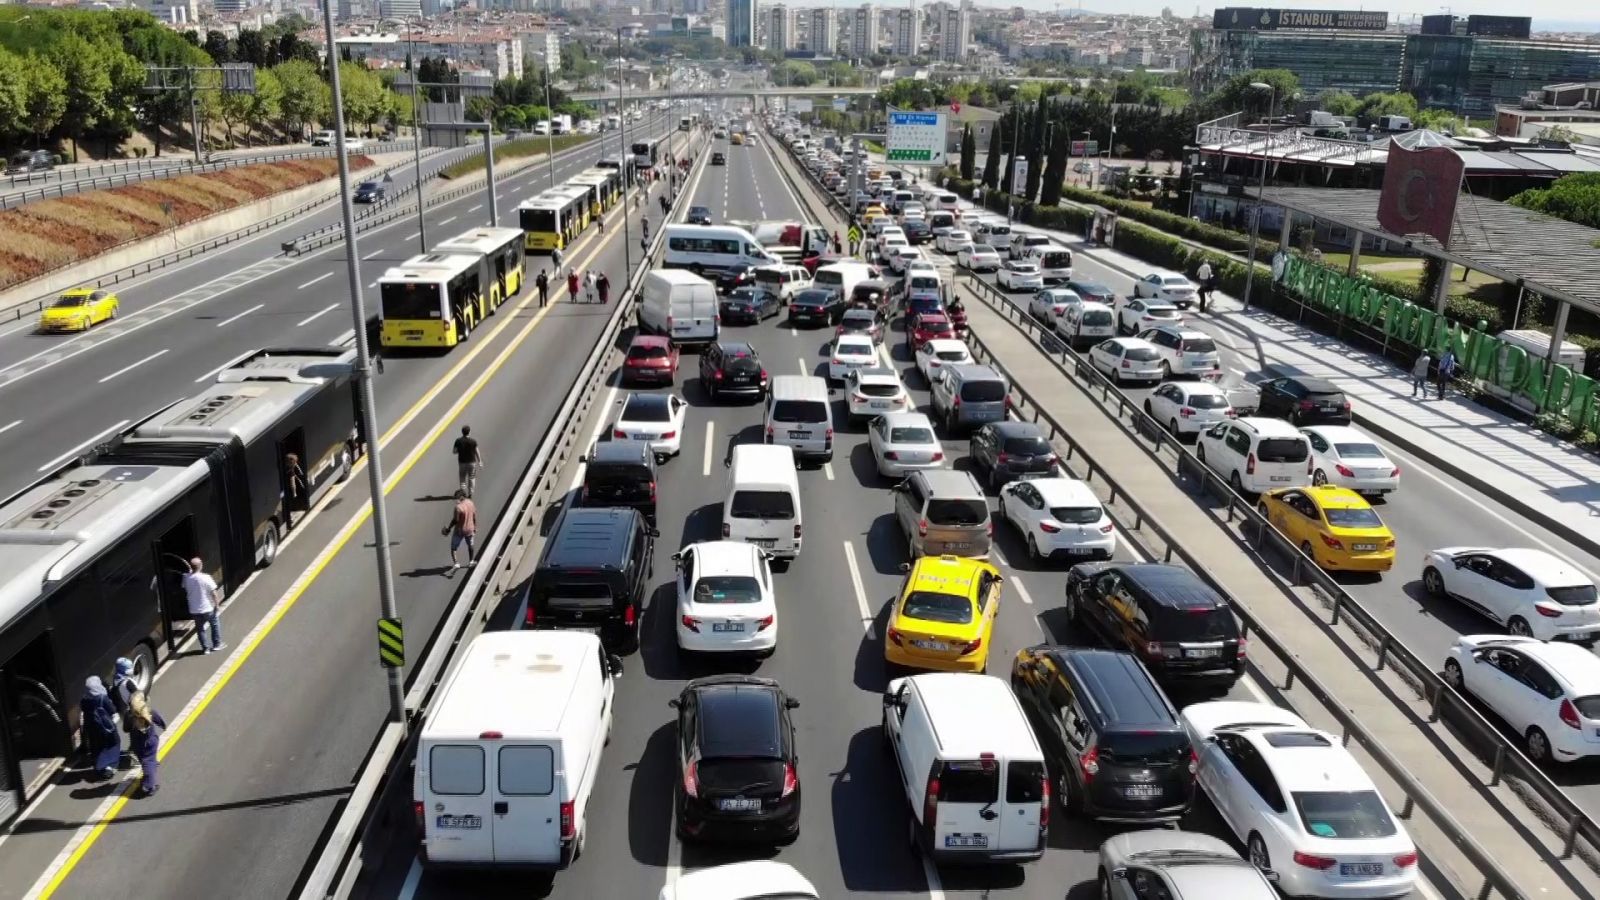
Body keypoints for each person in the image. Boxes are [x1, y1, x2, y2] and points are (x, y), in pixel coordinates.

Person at [124, 690, 165, 798]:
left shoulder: (129, 716)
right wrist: (163, 726)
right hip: (150, 742)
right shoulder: (149, 711)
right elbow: (159, 720)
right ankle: (149, 787)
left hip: (137, 744)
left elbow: (125, 729)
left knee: (144, 760)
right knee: (149, 763)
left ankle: (150, 768)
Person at [79, 676, 121, 780]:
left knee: (97, 747)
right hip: (106, 728)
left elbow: (84, 711)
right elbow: (113, 711)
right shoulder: (102, 697)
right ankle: (109, 768)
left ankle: (99, 766)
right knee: (112, 745)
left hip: (92, 728)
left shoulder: (85, 699)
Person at [183, 557, 223, 654]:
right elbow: (214, 592)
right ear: (200, 565)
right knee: (214, 624)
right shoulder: (206, 577)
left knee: (200, 629)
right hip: (207, 608)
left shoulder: (186, 578)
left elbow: (186, 582)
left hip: (194, 609)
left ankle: (205, 649)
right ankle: (217, 644)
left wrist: (190, 571)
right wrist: (217, 605)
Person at [444, 489, 478, 571]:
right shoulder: (471, 503)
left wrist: (448, 528)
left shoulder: (458, 508)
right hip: (470, 529)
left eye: (457, 497)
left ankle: (456, 563)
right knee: (470, 545)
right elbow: (474, 516)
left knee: (454, 547)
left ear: (461, 497)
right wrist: (475, 527)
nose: (456, 499)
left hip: (460, 530)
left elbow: (456, 520)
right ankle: (471, 561)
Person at [452, 425, 482, 498]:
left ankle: (463, 491)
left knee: (462, 477)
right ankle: (470, 493)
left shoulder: (458, 441)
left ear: (462, 432)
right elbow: (477, 451)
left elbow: (454, 451)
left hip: (462, 462)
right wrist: (480, 461)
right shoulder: (473, 441)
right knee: (472, 477)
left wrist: (460, 450)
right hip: (472, 462)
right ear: (469, 432)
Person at [282, 453, 307, 529]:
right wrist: (294, 493)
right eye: (294, 463)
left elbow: (296, 468)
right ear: (289, 462)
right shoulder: (286, 469)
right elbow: (292, 483)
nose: (295, 464)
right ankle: (289, 517)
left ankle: (290, 515)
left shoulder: (291, 467)